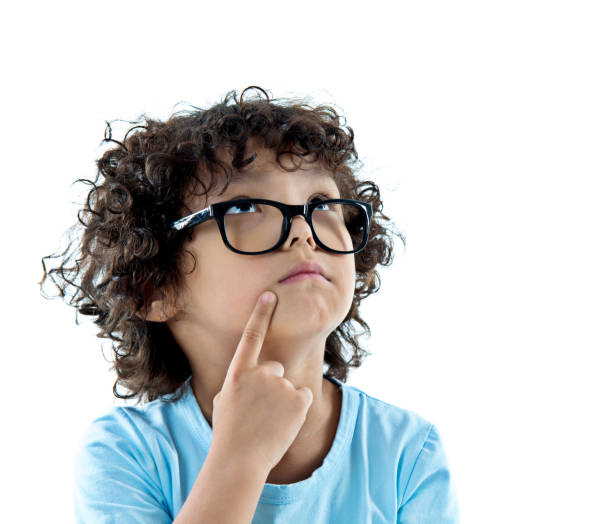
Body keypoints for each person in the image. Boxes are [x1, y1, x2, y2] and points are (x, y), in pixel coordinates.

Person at [40, 86, 460, 523]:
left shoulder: (408, 453)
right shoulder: (127, 453)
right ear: (153, 288)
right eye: (245, 205)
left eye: (320, 203)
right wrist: (240, 456)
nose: (303, 230)